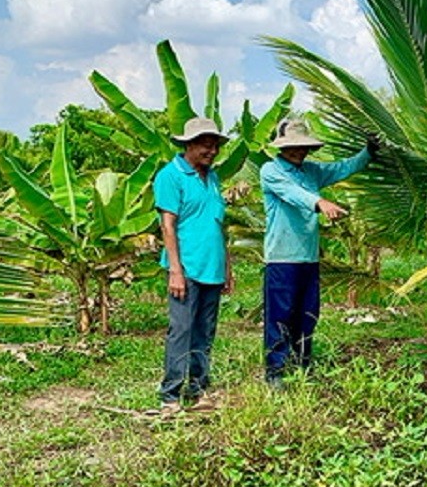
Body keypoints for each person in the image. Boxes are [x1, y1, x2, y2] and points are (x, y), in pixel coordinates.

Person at [260, 119, 378, 387]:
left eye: (303, 147)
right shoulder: (271, 170)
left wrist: (368, 151)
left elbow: (342, 168)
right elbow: (292, 193)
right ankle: (275, 370)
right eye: (293, 147)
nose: (298, 152)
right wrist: (320, 202)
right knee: (280, 315)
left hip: (309, 257)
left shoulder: (311, 171)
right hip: (281, 259)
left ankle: (302, 362)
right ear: (282, 147)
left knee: (307, 313)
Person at [152, 117, 232, 413]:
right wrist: (176, 271)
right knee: (182, 330)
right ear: (188, 145)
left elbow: (218, 224)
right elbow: (167, 226)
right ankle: (170, 395)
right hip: (185, 268)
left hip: (212, 266)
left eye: (215, 146)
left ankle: (198, 389)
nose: (211, 151)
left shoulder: (212, 178)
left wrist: (227, 267)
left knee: (205, 330)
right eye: (205, 146)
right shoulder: (170, 176)